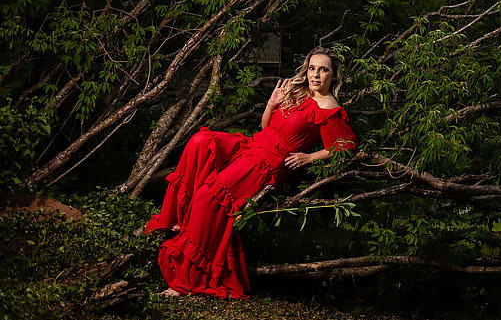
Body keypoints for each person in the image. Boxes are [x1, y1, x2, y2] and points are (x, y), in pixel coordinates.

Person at [144, 47, 357, 298]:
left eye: (323, 70)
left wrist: (309, 157)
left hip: (267, 164)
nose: (316, 75)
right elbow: (267, 126)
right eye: (312, 68)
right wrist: (271, 104)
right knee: (201, 142)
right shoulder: (299, 93)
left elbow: (346, 147)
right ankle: (180, 219)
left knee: (207, 196)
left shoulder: (329, 108)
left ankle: (186, 279)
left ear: (334, 75)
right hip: (253, 145)